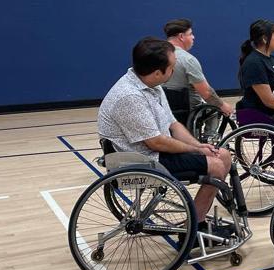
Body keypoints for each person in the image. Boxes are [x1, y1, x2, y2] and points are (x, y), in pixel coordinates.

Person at [97, 37, 233, 225]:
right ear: (157, 73)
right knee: (216, 166)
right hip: (142, 160)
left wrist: (199, 146)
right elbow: (156, 142)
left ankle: (196, 219)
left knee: (223, 155)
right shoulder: (130, 97)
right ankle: (195, 226)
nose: (174, 70)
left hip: (154, 152)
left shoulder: (152, 85)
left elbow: (173, 124)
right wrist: (196, 150)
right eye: (172, 67)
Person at [162, 18, 234, 124]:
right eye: (190, 34)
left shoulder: (156, 54)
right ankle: (209, 135)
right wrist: (223, 105)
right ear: (181, 36)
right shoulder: (188, 60)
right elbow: (206, 93)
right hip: (188, 111)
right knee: (214, 110)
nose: (193, 37)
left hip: (162, 108)